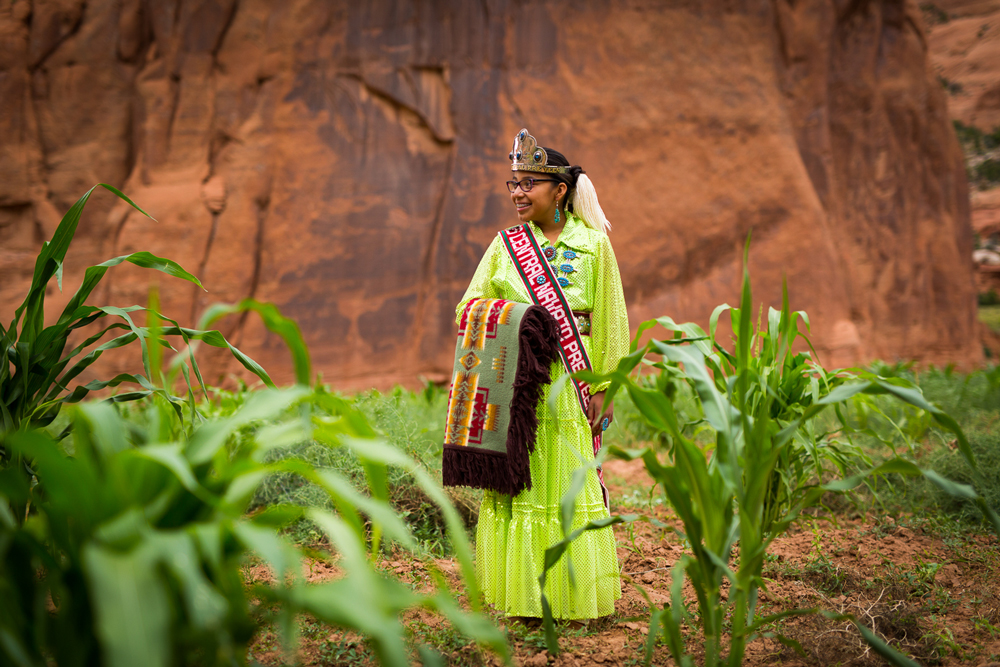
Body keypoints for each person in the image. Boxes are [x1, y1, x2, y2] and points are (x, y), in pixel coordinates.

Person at [456, 128, 629, 624]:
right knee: (519, 488)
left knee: (570, 483)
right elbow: (467, 309)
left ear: (559, 190)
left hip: (570, 388)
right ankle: (524, 601)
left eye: (529, 183)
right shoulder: (506, 245)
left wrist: (605, 385)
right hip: (515, 388)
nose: (517, 192)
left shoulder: (594, 246)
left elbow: (613, 321)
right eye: (513, 183)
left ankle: (572, 599)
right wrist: (520, 320)